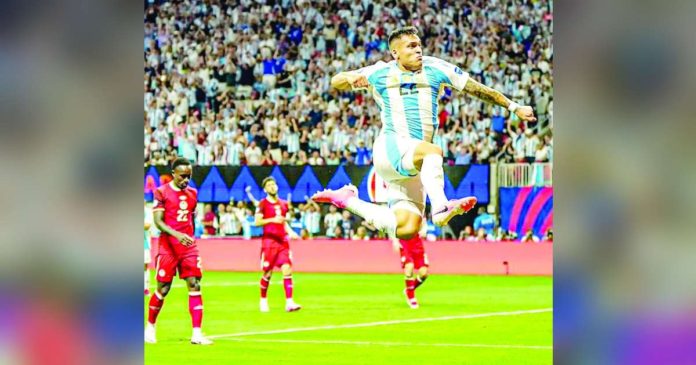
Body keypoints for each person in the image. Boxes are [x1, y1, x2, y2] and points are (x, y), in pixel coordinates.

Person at [313, 26, 536, 244]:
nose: (418, 50)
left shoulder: (436, 68)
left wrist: (514, 107)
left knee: (408, 228)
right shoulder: (380, 71)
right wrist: (353, 79)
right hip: (391, 149)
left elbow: (478, 89)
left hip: (415, 163)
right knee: (433, 151)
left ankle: (348, 200)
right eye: (411, 46)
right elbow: (336, 80)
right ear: (395, 53)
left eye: (419, 45)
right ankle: (441, 207)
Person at [145, 157, 212, 345]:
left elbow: (191, 217)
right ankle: (150, 327)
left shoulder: (192, 193)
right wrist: (177, 234)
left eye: (189, 176)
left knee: (195, 285)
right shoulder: (161, 192)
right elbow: (158, 221)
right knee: (163, 289)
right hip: (168, 247)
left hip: (188, 247)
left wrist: (189, 236)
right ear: (173, 174)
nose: (186, 180)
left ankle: (197, 334)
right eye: (183, 176)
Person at [254, 177, 302, 313]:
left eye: (273, 184)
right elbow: (257, 222)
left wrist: (291, 232)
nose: (272, 187)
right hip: (269, 242)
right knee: (267, 273)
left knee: (287, 269)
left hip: (283, 242)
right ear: (265, 189)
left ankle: (289, 302)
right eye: (269, 185)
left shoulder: (284, 204)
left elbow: (283, 222)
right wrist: (272, 220)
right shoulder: (262, 204)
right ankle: (263, 300)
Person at [144, 199, 153, 296]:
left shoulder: (147, 211)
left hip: (144, 242)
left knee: (144, 266)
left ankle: (145, 288)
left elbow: (147, 225)